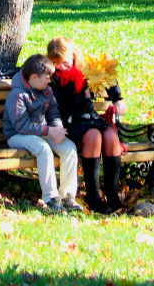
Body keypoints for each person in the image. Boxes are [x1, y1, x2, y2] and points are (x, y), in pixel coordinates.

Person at [47, 37, 126, 214]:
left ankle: (112, 194)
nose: (62, 67)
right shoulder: (53, 80)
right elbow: (60, 108)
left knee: (110, 135)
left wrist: (117, 99)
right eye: (56, 64)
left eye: (65, 62)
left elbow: (107, 77)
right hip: (70, 123)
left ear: (73, 56)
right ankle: (93, 196)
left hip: (90, 117)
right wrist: (82, 96)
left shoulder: (84, 70)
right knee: (94, 136)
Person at [2, 54, 80, 214]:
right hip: (17, 136)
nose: (49, 80)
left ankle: (67, 196)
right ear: (34, 77)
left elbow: (54, 114)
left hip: (42, 131)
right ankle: (51, 199)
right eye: (47, 77)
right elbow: (21, 126)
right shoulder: (17, 95)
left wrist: (57, 129)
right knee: (43, 149)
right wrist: (49, 130)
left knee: (69, 148)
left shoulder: (46, 91)